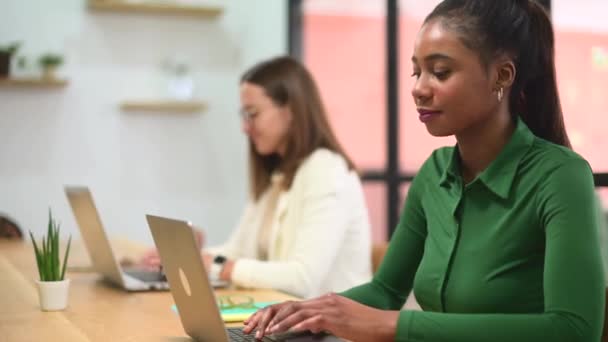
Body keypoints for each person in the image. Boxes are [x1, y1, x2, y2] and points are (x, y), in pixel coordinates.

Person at [243, 1, 605, 341]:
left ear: (502, 76)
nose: (418, 89)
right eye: (417, 71)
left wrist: (396, 325)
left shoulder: (561, 176)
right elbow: (385, 291)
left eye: (440, 72)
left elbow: (573, 329)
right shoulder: (434, 174)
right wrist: (308, 312)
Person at [141, 56, 372, 299]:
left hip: (332, 333)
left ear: (291, 110)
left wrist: (215, 265)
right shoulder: (278, 175)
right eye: (244, 115)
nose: (245, 127)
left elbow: (302, 279)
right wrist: (184, 258)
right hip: (288, 316)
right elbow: (239, 251)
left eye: (253, 114)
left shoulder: (326, 170)